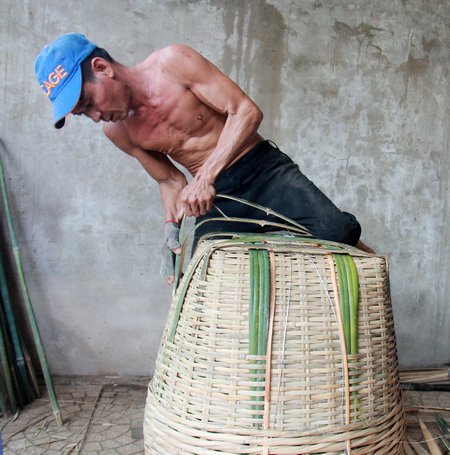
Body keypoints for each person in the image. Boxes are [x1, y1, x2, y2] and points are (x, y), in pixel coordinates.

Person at [35, 33, 374, 284]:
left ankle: (376, 281)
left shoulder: (172, 62)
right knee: (202, 284)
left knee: (336, 232)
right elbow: (170, 180)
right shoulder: (118, 132)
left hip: (261, 167)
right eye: (84, 114)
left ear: (102, 67)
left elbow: (246, 112)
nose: (95, 116)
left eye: (89, 102)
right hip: (218, 197)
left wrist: (206, 175)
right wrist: (171, 231)